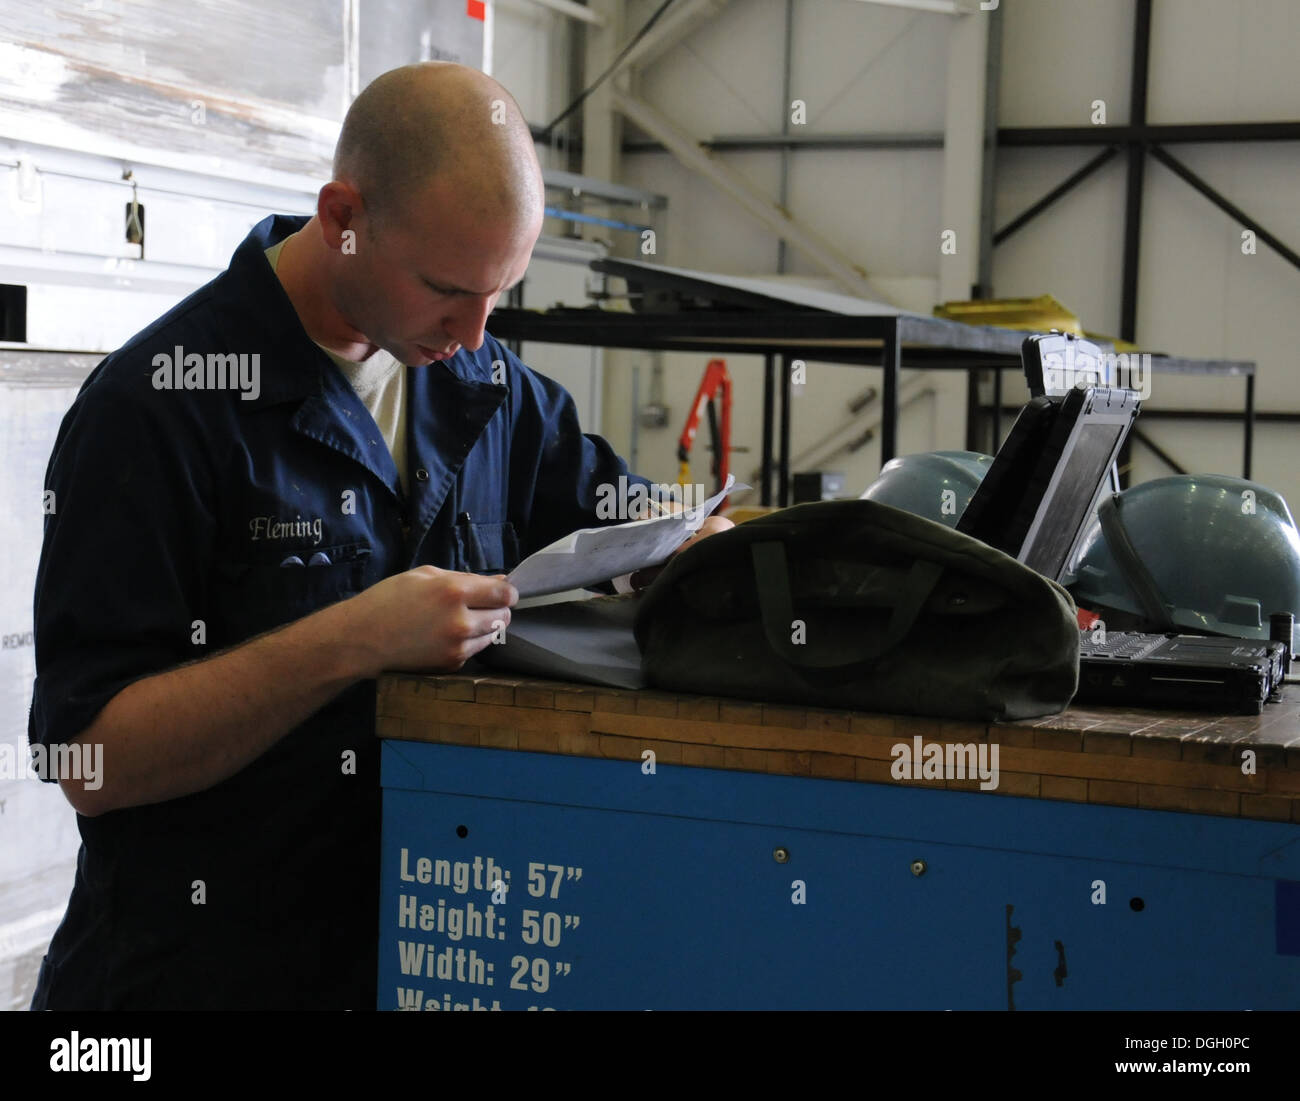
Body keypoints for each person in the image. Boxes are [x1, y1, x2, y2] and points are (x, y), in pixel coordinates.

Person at [28, 62, 730, 1010]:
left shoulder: (482, 386)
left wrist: (698, 548)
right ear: (343, 215)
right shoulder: (158, 408)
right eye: (447, 288)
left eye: (500, 291)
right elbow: (92, 762)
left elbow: (631, 518)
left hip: (394, 957)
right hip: (191, 976)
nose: (478, 330)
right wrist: (354, 639)